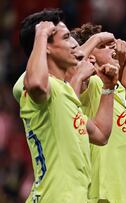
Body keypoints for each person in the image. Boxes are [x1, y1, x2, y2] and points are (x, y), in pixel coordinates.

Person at [14, 9, 118, 203]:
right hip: (54, 197)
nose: (74, 44)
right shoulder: (40, 85)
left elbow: (101, 135)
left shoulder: (66, 93)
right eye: (67, 37)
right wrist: (42, 34)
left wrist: (108, 89)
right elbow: (36, 84)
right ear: (47, 46)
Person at [70, 23, 126, 202]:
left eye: (111, 45)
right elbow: (70, 71)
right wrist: (97, 38)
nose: (112, 48)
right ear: (90, 56)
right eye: (102, 47)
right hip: (103, 191)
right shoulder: (90, 83)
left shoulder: (114, 88)